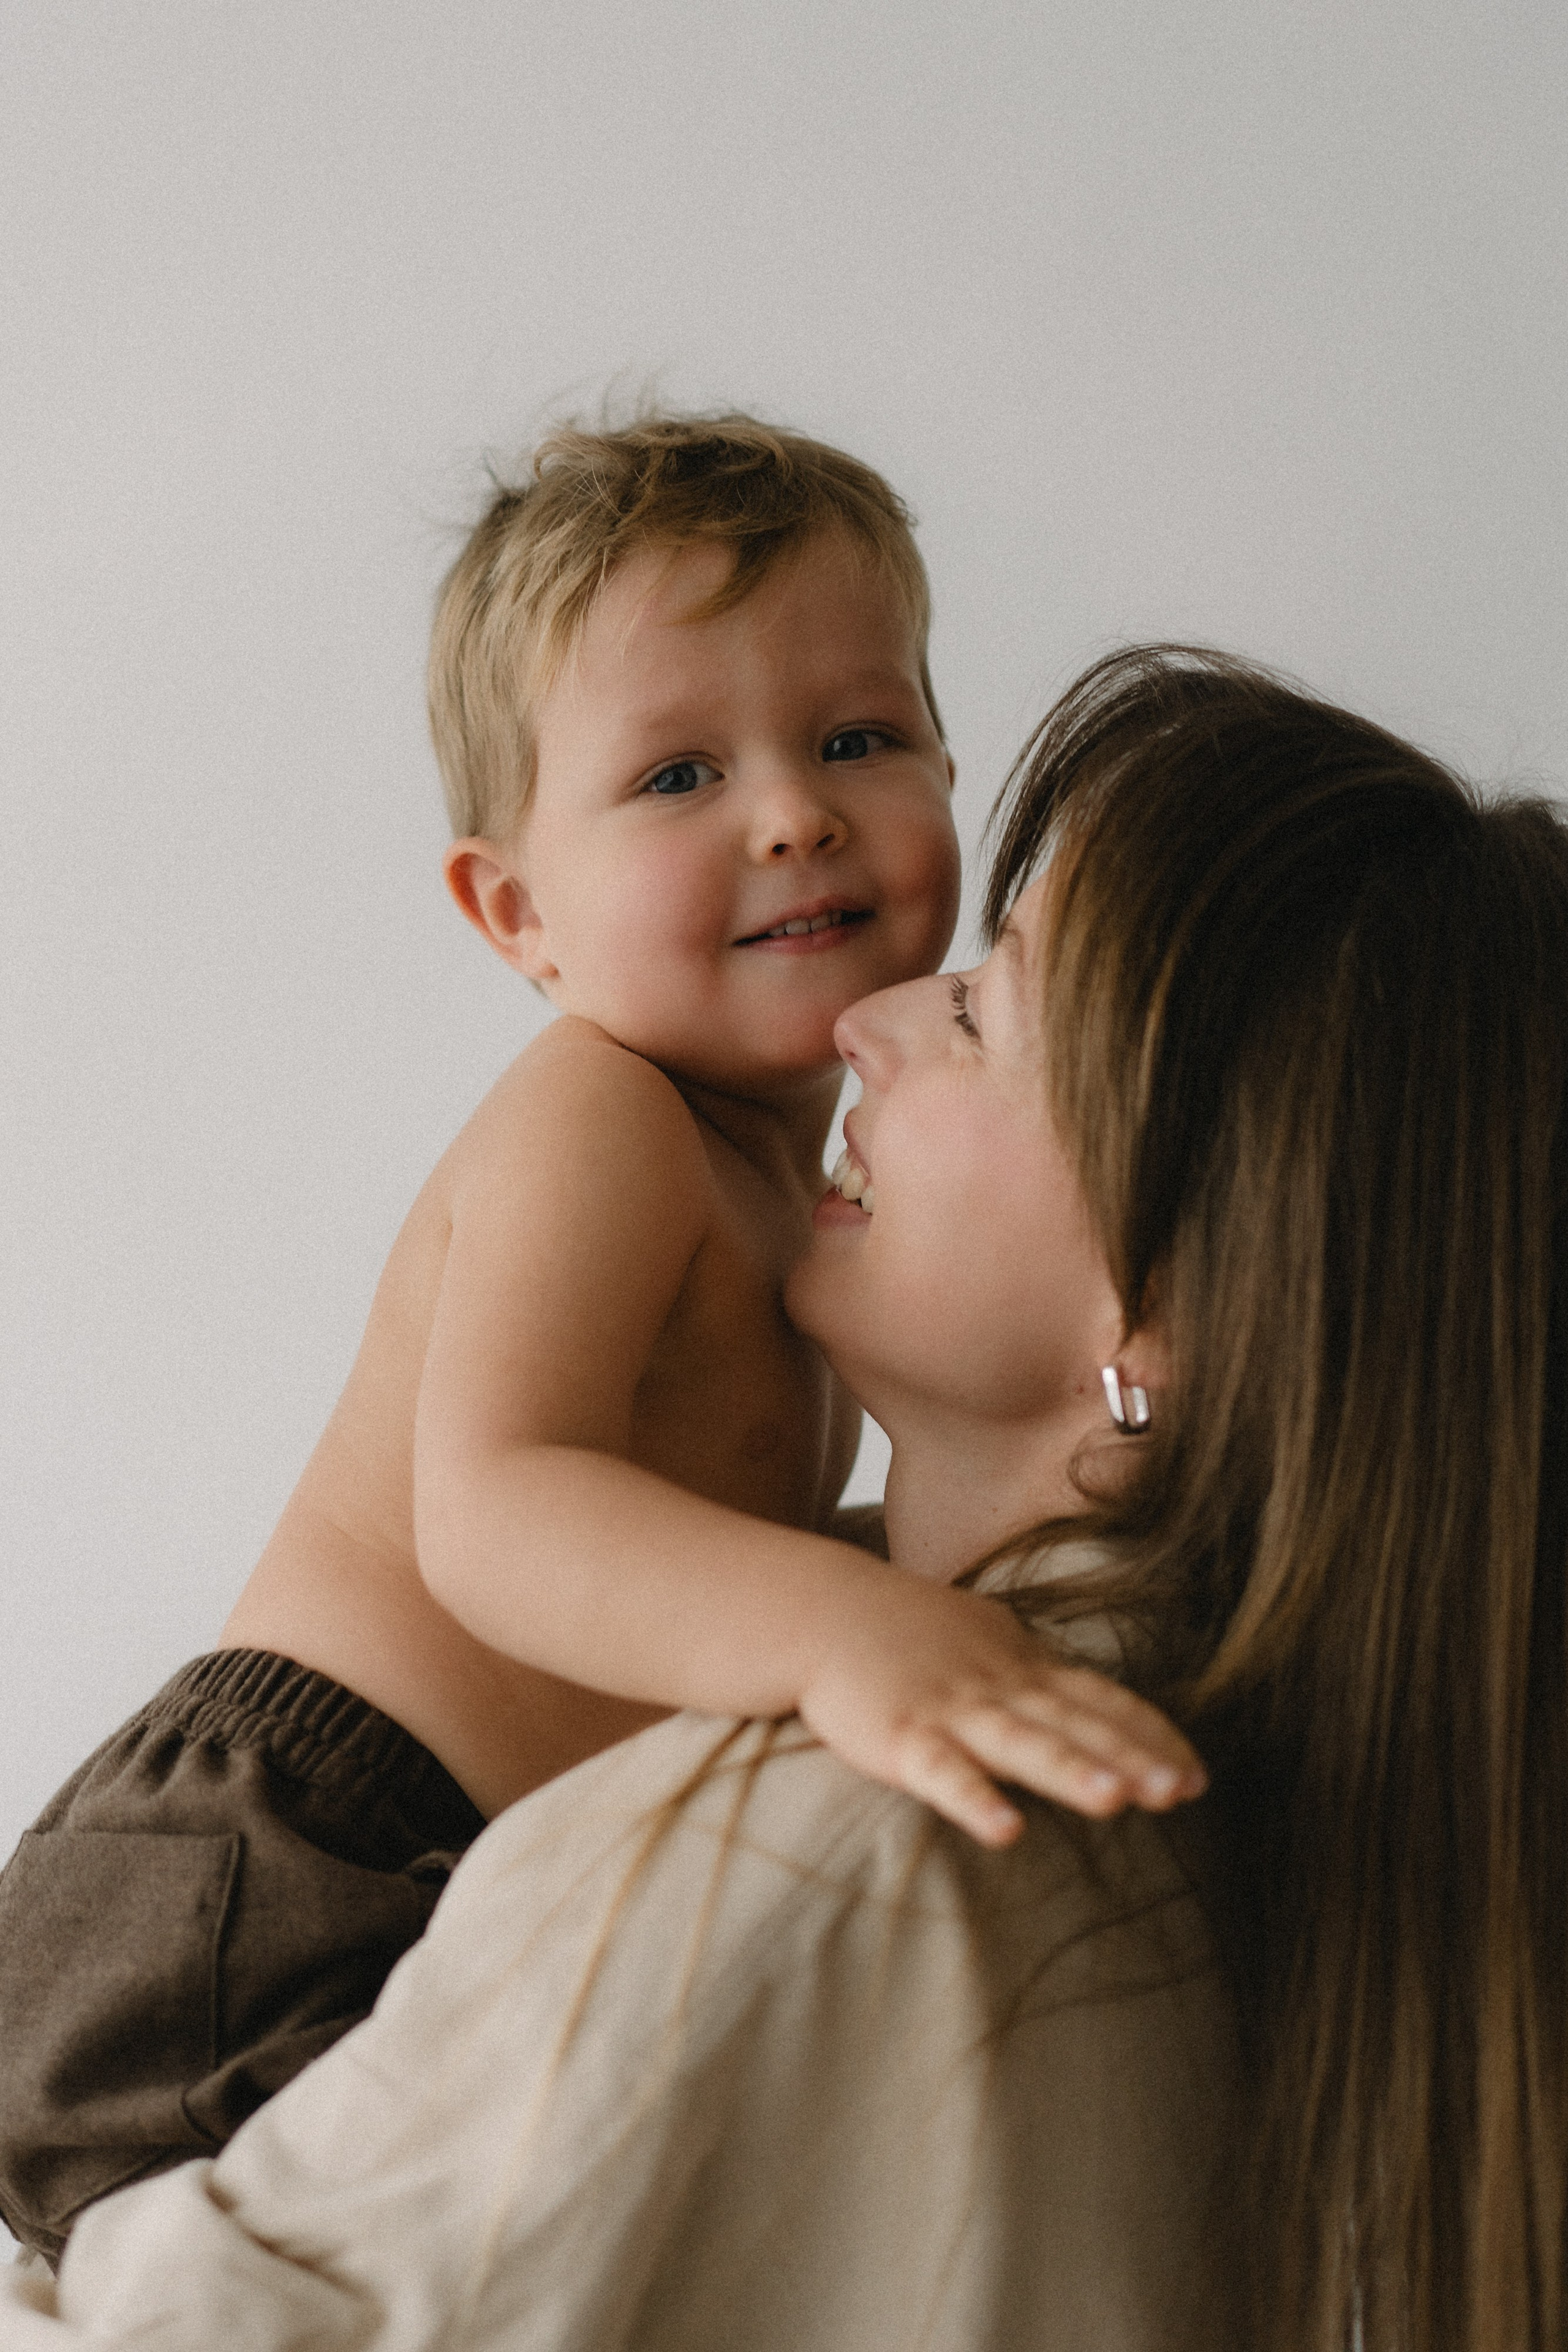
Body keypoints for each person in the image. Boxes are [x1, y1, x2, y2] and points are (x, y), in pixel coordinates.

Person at [12, 643, 1562, 2351]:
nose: (875, 1024)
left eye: (982, 1011)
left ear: (1176, 1305)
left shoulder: (850, 1829)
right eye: (676, 773)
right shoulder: (1284, 1805)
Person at [0, 421, 1199, 2269]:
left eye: (858, 741)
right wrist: (848, 1626)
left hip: (435, 1867)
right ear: (518, 914)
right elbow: (493, 1509)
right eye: (679, 774)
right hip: (274, 1871)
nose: (791, 810)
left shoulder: (816, 1211)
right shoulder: (604, 1123)